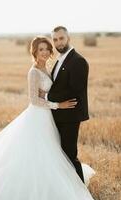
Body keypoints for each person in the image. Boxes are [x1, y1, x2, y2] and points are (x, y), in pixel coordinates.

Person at [0, 36, 95, 200]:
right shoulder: (33, 72)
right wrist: (58, 105)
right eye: (40, 50)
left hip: (48, 117)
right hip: (37, 117)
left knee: (53, 151)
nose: (44, 52)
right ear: (35, 52)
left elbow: (49, 93)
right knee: (38, 152)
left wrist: (52, 98)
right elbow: (34, 100)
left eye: (46, 49)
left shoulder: (48, 68)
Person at [39, 26, 89, 183]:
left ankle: (80, 190)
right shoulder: (59, 59)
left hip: (70, 115)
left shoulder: (78, 61)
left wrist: (47, 96)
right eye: (55, 39)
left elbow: (74, 90)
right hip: (59, 113)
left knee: (69, 155)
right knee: (59, 154)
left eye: (61, 38)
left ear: (69, 38)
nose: (58, 42)